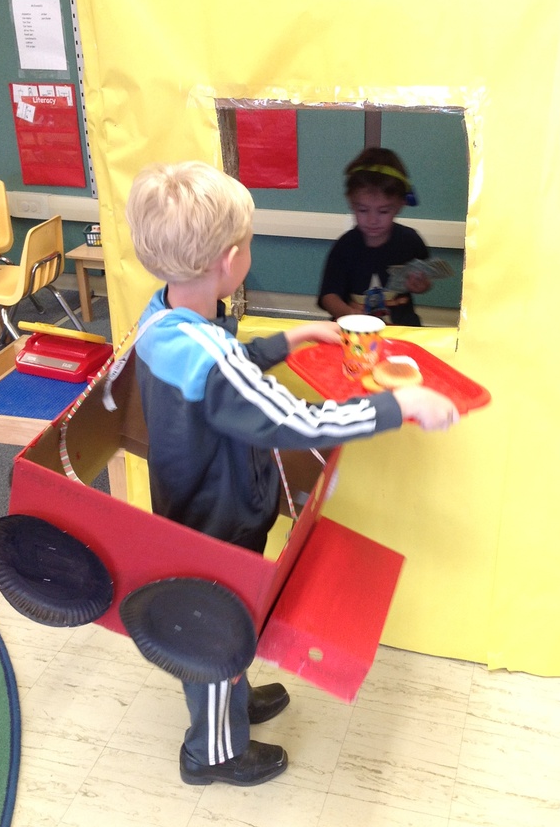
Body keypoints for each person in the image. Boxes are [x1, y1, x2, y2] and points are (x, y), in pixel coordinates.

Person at [125, 160, 459, 788]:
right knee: (217, 631)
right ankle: (213, 751)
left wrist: (292, 338)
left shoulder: (165, 317)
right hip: (217, 514)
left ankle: (231, 698)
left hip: (192, 501)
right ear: (230, 258)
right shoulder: (213, 358)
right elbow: (299, 421)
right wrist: (399, 405)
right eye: (248, 244)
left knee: (225, 619)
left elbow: (223, 361)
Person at [318, 147, 431, 326]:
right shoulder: (345, 247)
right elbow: (328, 296)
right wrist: (348, 314)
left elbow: (425, 281)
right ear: (351, 202)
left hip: (402, 330)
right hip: (354, 330)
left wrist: (421, 286)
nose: (372, 220)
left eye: (383, 211)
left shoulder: (411, 242)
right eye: (362, 210)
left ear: (401, 204)